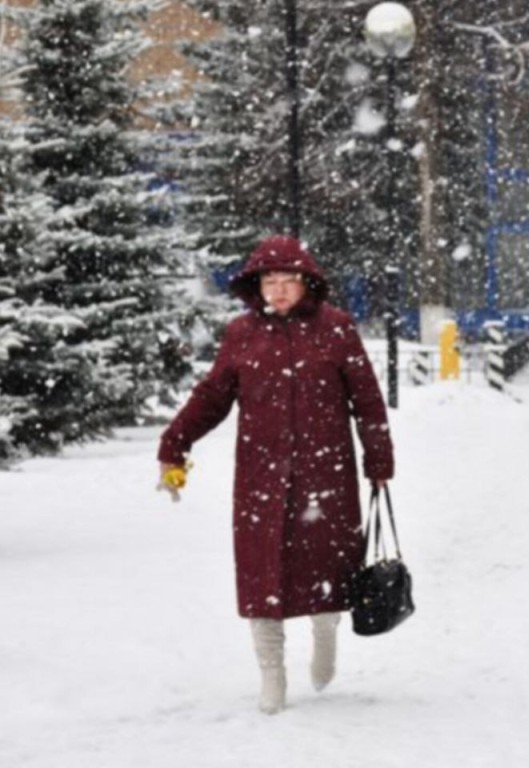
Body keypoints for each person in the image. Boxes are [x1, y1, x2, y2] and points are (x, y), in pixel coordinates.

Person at [156, 235, 394, 715]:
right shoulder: (242, 334)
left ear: (307, 283)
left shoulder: (337, 329)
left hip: (325, 471)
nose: (280, 290)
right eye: (270, 280)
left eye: (289, 280)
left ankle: (325, 634)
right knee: (261, 573)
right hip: (261, 476)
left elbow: (366, 400)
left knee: (327, 566)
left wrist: (379, 461)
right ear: (256, 285)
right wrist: (174, 443)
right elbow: (212, 397)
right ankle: (272, 674)